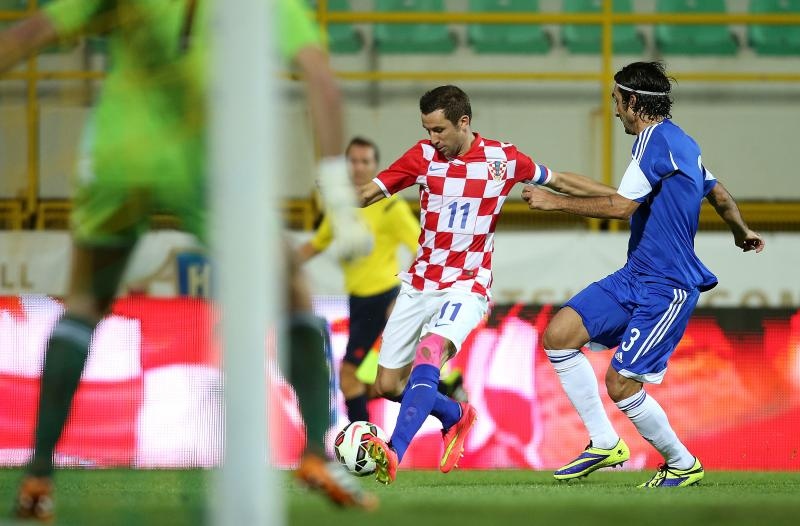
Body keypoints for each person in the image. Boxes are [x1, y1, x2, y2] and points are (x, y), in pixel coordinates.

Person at [0, 0, 374, 520]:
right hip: (203, 163)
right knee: (290, 288)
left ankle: (38, 474)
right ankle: (315, 451)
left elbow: (31, 33)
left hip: (118, 157)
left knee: (85, 303)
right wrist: (337, 194)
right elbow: (321, 81)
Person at [357, 85, 617, 485]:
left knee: (430, 351)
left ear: (464, 122)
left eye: (439, 130)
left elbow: (561, 181)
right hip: (419, 284)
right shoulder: (421, 157)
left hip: (467, 285)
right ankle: (454, 414)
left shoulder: (504, 159)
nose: (432, 139)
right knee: (390, 386)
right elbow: (368, 193)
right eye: (427, 130)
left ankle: (394, 451)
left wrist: (623, 198)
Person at [522, 61, 765, 488]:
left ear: (633, 102)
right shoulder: (681, 142)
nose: (615, 112)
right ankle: (603, 442)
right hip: (635, 275)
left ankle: (682, 462)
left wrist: (553, 201)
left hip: (667, 287)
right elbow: (720, 195)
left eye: (616, 102)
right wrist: (741, 231)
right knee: (559, 334)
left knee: (620, 382)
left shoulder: (654, 142)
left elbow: (620, 207)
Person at [298, 136, 420, 423]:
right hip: (359, 301)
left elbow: (421, 246)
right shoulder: (340, 208)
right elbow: (317, 243)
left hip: (385, 296)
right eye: (353, 161)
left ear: (376, 166)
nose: (358, 167)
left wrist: (410, 294)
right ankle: (444, 391)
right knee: (368, 382)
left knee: (350, 375)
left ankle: (360, 440)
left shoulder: (391, 207)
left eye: (365, 161)